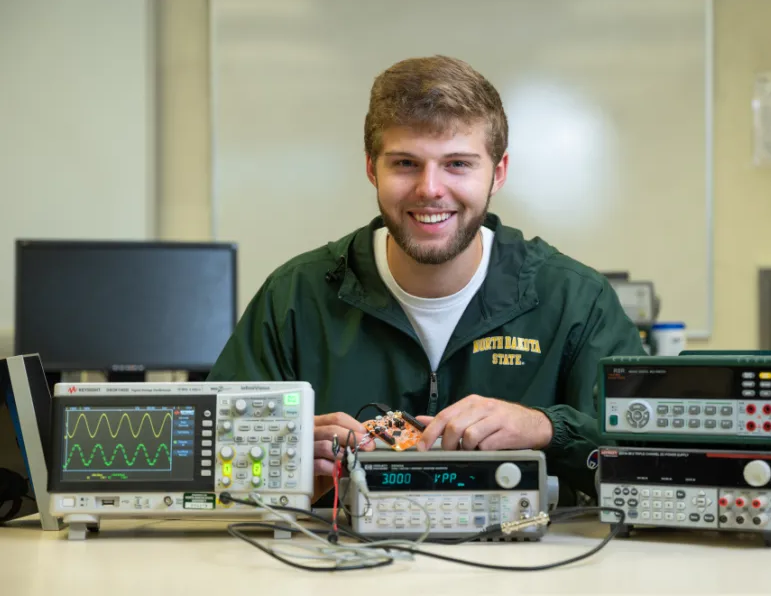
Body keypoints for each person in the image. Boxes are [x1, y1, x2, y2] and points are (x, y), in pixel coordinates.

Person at [206, 54, 647, 505]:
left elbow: (652, 459)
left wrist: (547, 428)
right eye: (405, 163)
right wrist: (286, 467)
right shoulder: (296, 298)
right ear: (371, 169)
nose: (430, 189)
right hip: (335, 552)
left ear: (497, 173)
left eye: (457, 164)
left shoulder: (576, 301)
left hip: (532, 550)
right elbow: (209, 467)